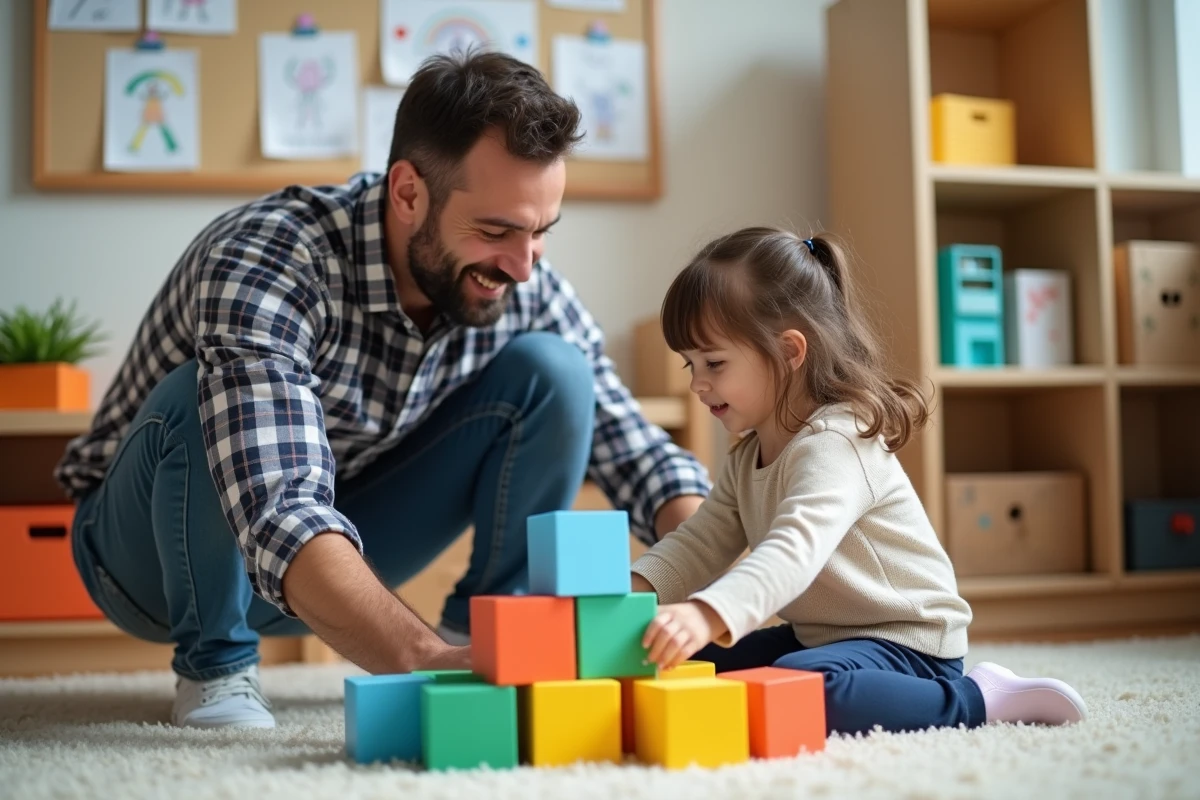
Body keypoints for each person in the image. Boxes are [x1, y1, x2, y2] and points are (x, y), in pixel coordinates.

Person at [54, 51, 709, 730]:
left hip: (315, 557)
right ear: (407, 193)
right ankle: (215, 665)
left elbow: (638, 455)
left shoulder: (522, 282)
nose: (521, 266)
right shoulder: (270, 257)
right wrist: (422, 657)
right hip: (145, 564)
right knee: (201, 392)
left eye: (541, 233)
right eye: (495, 231)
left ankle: (487, 635)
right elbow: (276, 497)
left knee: (559, 372)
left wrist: (723, 589)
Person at [630, 227, 1088, 736]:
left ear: (789, 352)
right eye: (690, 364)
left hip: (908, 643)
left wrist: (706, 610)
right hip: (821, 638)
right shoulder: (747, 458)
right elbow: (697, 543)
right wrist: (632, 592)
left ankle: (977, 698)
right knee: (696, 661)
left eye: (713, 362)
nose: (697, 382)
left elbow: (792, 550)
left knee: (804, 689)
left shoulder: (837, 442)